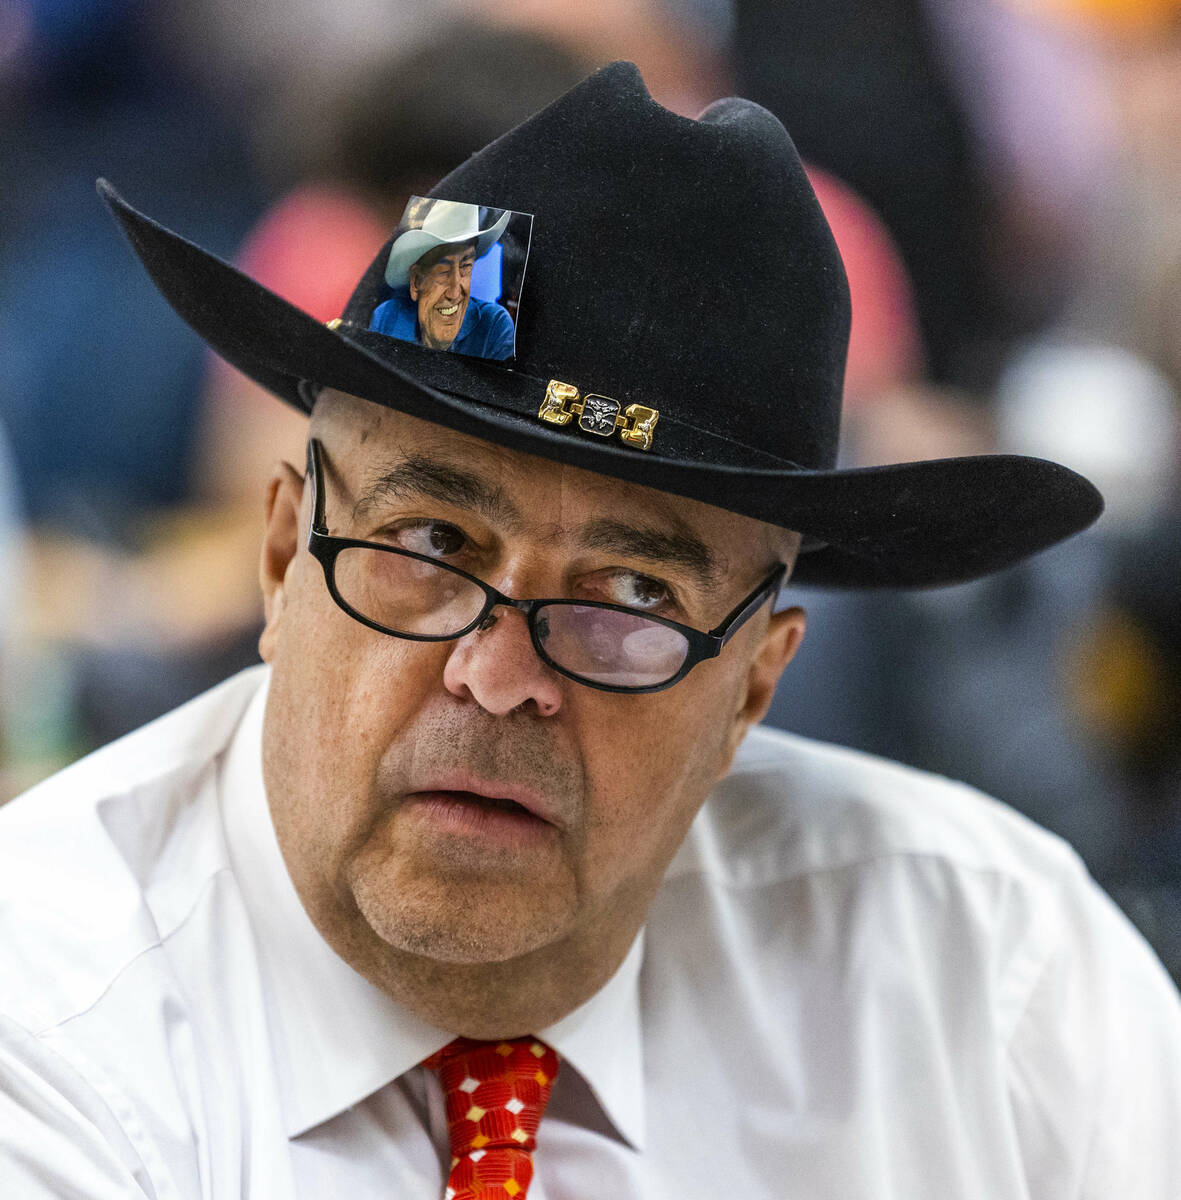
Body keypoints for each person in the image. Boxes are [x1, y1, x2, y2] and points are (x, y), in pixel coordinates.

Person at [1, 62, 1178, 1198]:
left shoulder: (993, 980)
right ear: (278, 563)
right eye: (426, 547)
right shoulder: (47, 1022)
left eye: (630, 600)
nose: (499, 674)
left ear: (753, 690)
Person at [369, 199, 516, 359]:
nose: (454, 293)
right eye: (443, 271)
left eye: (465, 266)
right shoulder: (387, 317)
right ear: (417, 281)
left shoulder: (494, 326)